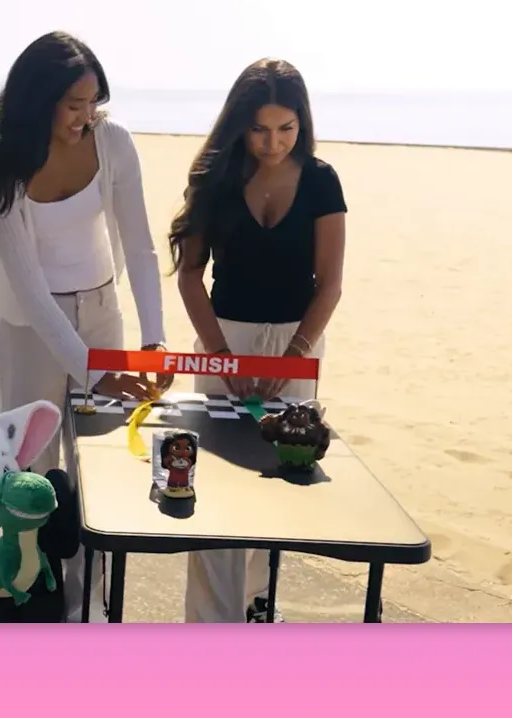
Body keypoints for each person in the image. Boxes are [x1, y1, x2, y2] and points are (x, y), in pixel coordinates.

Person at [0, 31, 170, 620]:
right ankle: (33, 604)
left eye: (93, 102)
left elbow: (140, 245)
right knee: (32, 473)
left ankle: (88, 610)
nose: (85, 117)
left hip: (100, 313)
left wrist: (153, 340)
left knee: (98, 470)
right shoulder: (2, 168)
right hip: (29, 328)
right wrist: (94, 373)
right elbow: (30, 291)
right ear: (38, 101)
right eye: (74, 105)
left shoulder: (113, 142)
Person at [166, 58, 347, 623]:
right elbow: (190, 276)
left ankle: (255, 614)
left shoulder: (321, 180)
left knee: (278, 482)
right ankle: (206, 625)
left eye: (285, 128)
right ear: (240, 124)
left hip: (299, 345)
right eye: (259, 129)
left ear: (302, 122)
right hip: (223, 341)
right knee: (214, 482)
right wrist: (222, 357)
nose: (273, 143)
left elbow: (330, 284)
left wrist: (293, 356)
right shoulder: (215, 178)